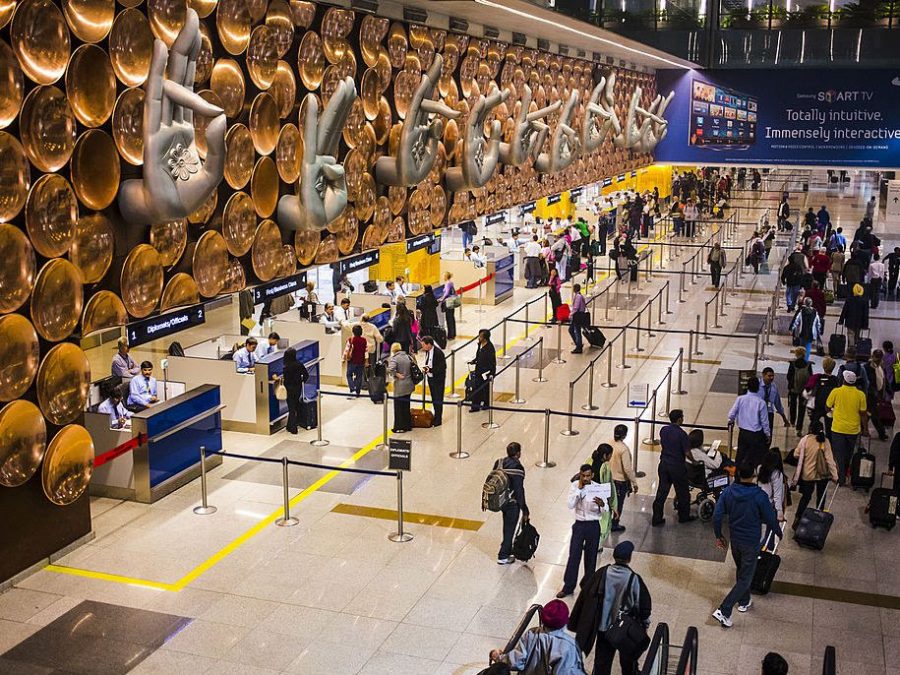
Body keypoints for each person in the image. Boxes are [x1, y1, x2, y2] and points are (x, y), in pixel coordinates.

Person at [711, 463, 783, 628]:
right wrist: (778, 532)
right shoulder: (759, 495)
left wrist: (718, 535)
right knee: (745, 578)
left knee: (742, 570)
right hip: (751, 542)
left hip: (735, 541)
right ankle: (725, 609)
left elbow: (717, 515)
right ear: (753, 476)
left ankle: (744, 601)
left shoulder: (728, 492)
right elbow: (770, 518)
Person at [568, 540, 651, 675]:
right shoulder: (633, 579)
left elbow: (586, 593)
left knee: (602, 660)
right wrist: (645, 622)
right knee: (628, 659)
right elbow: (643, 605)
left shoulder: (602, 572)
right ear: (629, 558)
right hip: (625, 628)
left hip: (603, 627)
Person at [490, 599, 585, 674]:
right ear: (565, 621)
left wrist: (498, 657)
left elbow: (516, 661)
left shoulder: (531, 634)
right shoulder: (567, 646)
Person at [557, 464, 609, 599]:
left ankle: (587, 586)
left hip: (593, 525)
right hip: (579, 525)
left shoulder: (598, 488)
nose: (585, 478)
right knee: (574, 555)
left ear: (592, 475)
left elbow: (606, 510)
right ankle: (568, 586)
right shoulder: (575, 486)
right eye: (583, 475)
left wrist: (602, 505)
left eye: (588, 476)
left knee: (591, 557)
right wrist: (579, 491)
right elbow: (570, 505)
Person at [789, 420, 838, 527]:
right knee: (821, 498)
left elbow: (796, 454)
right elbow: (830, 460)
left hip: (807, 475)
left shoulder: (805, 440)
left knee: (806, 497)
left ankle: (797, 519)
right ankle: (818, 521)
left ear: (810, 429)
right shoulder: (825, 441)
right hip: (822, 475)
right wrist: (835, 476)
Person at [651, 410, 696, 526]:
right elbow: (687, 452)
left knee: (662, 492)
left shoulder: (663, 430)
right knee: (682, 492)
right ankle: (684, 516)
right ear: (680, 419)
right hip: (677, 467)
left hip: (664, 464)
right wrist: (694, 462)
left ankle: (656, 518)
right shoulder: (682, 434)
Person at [825, 369, 868, 484]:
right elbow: (863, 414)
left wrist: (832, 412)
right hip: (853, 430)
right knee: (848, 453)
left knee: (838, 453)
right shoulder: (861, 395)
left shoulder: (836, 392)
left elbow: (827, 406)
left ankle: (841, 477)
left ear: (843, 380)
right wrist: (866, 429)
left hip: (838, 428)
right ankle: (844, 473)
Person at [496, 442, 529, 564]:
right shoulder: (518, 468)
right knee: (510, 528)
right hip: (512, 503)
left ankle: (507, 548)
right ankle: (503, 555)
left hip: (501, 501)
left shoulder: (499, 462)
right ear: (518, 453)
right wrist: (524, 509)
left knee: (507, 526)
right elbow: (519, 491)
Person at [728, 377, 771, 469]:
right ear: (758, 388)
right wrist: (767, 434)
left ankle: (737, 476)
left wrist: (731, 421)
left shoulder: (740, 399)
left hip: (743, 433)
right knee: (754, 459)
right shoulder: (761, 402)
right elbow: (764, 422)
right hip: (756, 435)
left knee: (740, 456)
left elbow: (731, 414)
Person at [609, 425, 638, 533]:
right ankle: (615, 524)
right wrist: (634, 482)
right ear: (625, 435)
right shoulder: (623, 449)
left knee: (609, 502)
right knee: (618, 504)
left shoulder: (609, 443)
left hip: (609, 478)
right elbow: (627, 468)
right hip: (620, 481)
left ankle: (606, 522)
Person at [757, 449, 787, 539]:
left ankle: (760, 546)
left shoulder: (759, 468)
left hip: (758, 501)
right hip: (769, 504)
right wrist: (780, 512)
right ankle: (768, 547)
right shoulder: (777, 474)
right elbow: (777, 494)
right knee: (770, 530)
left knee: (758, 528)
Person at [386, 343, 413, 433]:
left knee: (398, 407)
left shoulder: (395, 358)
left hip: (400, 386)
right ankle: (407, 425)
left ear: (393, 350)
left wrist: (397, 374)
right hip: (409, 385)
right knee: (406, 406)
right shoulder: (408, 356)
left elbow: (390, 369)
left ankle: (398, 426)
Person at [281, 347, 309, 434]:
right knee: (294, 406)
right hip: (297, 388)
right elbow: (306, 375)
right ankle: (290, 425)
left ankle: (293, 428)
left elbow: (285, 380)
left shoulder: (286, 367)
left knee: (291, 408)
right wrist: (301, 381)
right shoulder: (299, 364)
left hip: (289, 389)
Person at [419, 335, 445, 426]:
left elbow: (442, 367)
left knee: (438, 398)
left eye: (423, 345)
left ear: (429, 344)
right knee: (434, 398)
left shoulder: (438, 353)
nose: (422, 347)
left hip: (438, 380)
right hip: (431, 378)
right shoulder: (428, 352)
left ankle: (439, 418)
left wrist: (430, 370)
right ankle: (436, 416)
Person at [786, 347, 813, 436]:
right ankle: (799, 428)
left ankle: (792, 421)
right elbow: (811, 378)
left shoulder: (793, 364)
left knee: (793, 404)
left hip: (794, 388)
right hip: (804, 390)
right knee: (802, 408)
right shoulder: (808, 365)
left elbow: (788, 376)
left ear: (796, 354)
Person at [469, 329, 496, 413]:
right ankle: (475, 406)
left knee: (485, 388)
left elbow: (492, 362)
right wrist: (474, 361)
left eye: (480, 336)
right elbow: (479, 356)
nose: (479, 338)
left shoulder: (490, 348)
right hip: (479, 371)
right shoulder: (480, 345)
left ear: (485, 338)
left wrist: (490, 373)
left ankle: (486, 404)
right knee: (476, 388)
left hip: (486, 372)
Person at [759, 368, 789, 436]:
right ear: (763, 375)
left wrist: (784, 418)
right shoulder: (757, 386)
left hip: (769, 414)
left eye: (773, 376)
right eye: (769, 376)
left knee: (768, 435)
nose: (771, 378)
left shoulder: (774, 387)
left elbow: (778, 403)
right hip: (758, 413)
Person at [838, 283, 869, 350]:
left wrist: (841, 320)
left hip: (850, 321)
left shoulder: (849, 299)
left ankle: (851, 349)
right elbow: (866, 314)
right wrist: (866, 324)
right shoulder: (864, 301)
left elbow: (844, 311)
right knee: (857, 335)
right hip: (860, 322)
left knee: (850, 334)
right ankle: (856, 347)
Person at [342, 325, 368, 397]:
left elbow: (347, 350)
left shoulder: (351, 340)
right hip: (361, 361)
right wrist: (366, 361)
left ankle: (352, 388)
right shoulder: (364, 340)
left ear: (353, 332)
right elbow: (366, 351)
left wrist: (343, 359)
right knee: (359, 376)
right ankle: (357, 392)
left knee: (349, 375)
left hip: (352, 361)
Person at [569, 283, 588, 354]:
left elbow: (576, 308)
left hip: (577, 316)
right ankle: (578, 343)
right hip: (579, 315)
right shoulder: (579, 295)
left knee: (576, 330)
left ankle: (579, 346)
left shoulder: (578, 296)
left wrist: (570, 314)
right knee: (572, 330)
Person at [438, 271, 457, 339]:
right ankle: (453, 333)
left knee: (449, 318)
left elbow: (446, 293)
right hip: (451, 302)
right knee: (451, 318)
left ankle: (450, 334)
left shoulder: (448, 283)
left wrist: (441, 299)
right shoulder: (450, 283)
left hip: (449, 303)